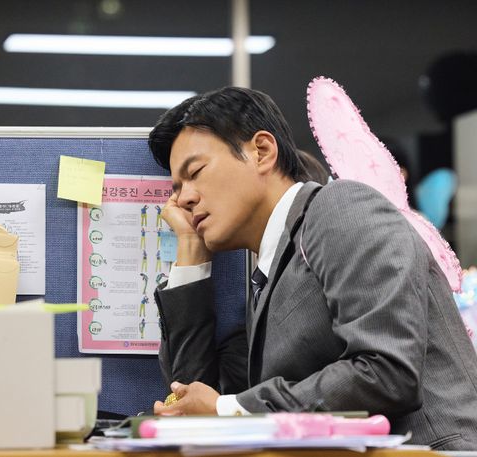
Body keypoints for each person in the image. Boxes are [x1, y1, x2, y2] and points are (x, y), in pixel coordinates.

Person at [147, 87, 477, 450]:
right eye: (177, 188)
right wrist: (191, 251)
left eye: (195, 172)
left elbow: (386, 371)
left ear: (261, 151)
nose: (184, 198)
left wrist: (229, 409)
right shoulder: (266, 278)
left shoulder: (341, 207)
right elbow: (195, 400)